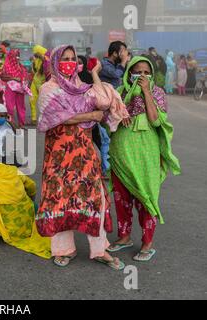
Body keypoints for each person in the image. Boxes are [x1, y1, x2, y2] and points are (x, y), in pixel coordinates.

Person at [36, 45, 126, 271]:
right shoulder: (49, 89)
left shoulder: (82, 87)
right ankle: (64, 249)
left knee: (94, 196)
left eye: (72, 58)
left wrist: (94, 72)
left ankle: (99, 250)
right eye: (64, 59)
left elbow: (104, 103)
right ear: (55, 62)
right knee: (60, 198)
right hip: (58, 153)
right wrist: (90, 115)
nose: (68, 62)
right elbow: (57, 117)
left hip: (84, 151)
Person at [108, 56, 181, 262]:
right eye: (137, 71)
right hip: (121, 153)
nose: (141, 76)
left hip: (146, 154)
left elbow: (156, 122)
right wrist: (117, 116)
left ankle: (148, 242)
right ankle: (124, 237)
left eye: (145, 72)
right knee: (122, 199)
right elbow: (108, 122)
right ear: (129, 72)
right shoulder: (120, 93)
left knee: (145, 197)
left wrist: (147, 91)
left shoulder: (157, 93)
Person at [1, 49, 31, 128]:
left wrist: (23, 79)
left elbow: (25, 76)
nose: (17, 58)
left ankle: (21, 124)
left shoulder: (20, 66)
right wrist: (14, 78)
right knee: (9, 107)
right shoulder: (6, 66)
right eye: (15, 56)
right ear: (11, 56)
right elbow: (2, 77)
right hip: (10, 88)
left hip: (20, 89)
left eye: (18, 56)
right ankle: (11, 123)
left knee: (21, 106)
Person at [30, 45, 48, 125]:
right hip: (35, 81)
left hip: (43, 83)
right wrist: (33, 62)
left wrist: (42, 58)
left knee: (43, 102)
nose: (34, 54)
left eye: (35, 52)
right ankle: (33, 119)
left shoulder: (46, 59)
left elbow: (47, 67)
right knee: (32, 100)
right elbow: (34, 71)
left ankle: (45, 119)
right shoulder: (36, 60)